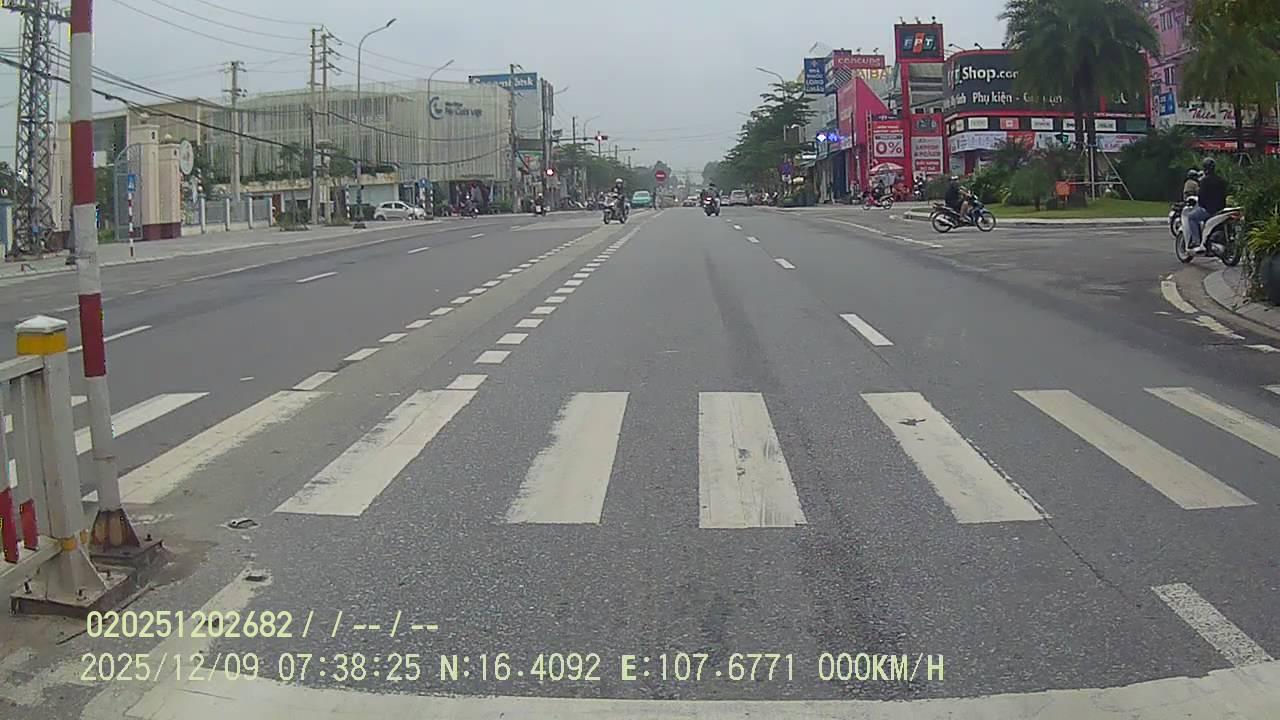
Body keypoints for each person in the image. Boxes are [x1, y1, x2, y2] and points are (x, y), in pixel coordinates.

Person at [1187, 158, 1226, 253]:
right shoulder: (1221, 180)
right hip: (1221, 210)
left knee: (1191, 217)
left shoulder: (1204, 181)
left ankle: (1196, 241)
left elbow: (1201, 197)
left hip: (1209, 210)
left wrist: (1201, 205)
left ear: (1205, 168)